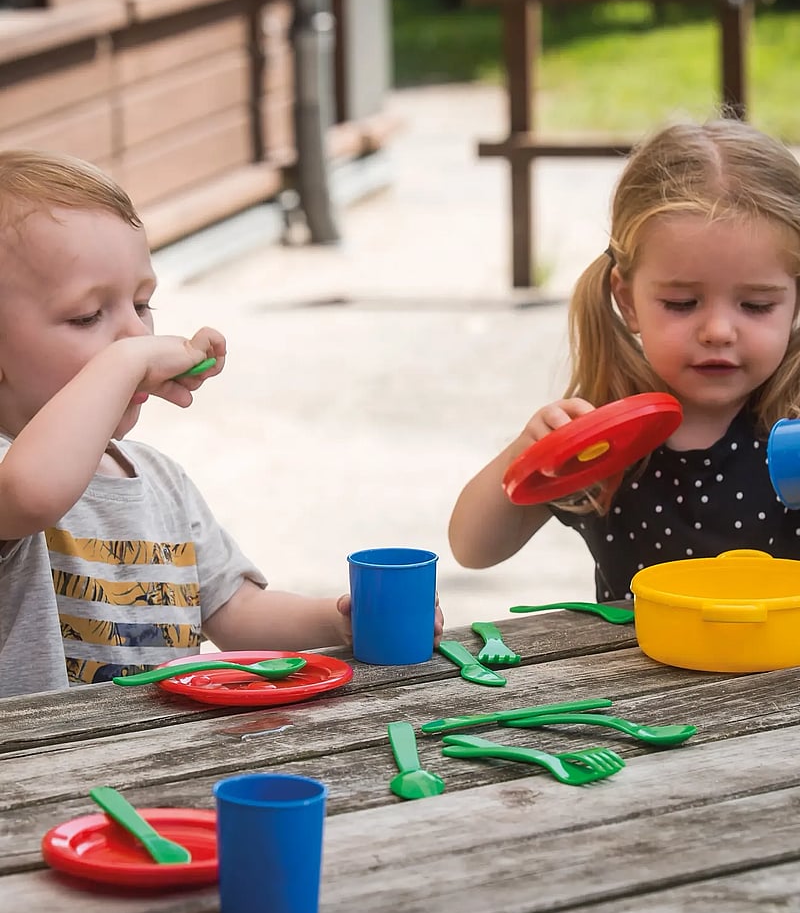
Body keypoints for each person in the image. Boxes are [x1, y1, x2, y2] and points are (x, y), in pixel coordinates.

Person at [0, 150, 442, 698]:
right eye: (88, 316)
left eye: (143, 304)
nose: (137, 337)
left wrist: (339, 622)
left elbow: (236, 612)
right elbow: (31, 493)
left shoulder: (159, 481)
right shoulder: (14, 473)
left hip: (160, 762)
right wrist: (123, 363)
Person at [449, 117, 800, 603]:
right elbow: (474, 548)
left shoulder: (794, 419)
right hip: (635, 676)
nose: (718, 331)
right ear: (628, 300)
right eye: (682, 303)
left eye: (757, 305)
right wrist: (526, 456)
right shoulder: (608, 434)